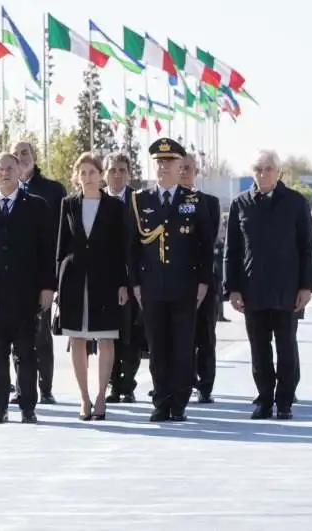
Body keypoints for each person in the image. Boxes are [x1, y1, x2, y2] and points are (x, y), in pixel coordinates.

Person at [224, 150, 312, 420]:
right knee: (259, 348)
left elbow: (307, 247)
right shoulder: (240, 204)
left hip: (287, 290)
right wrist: (233, 288)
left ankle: (284, 400)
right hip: (253, 290)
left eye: (268, 168)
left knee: (286, 346)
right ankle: (264, 399)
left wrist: (306, 286)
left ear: (279, 173)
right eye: (258, 169)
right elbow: (233, 250)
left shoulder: (296, 203)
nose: (263, 173)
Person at [0, 152, 55, 424]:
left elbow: (47, 250)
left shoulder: (37, 206)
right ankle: (0, 406)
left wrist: (48, 286)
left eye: (9, 168)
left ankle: (28, 406)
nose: (4, 173)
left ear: (19, 172)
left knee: (26, 350)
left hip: (27, 292)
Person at [128, 137, 214, 422]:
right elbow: (132, 247)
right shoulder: (141, 201)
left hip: (185, 285)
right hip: (151, 286)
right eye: (159, 162)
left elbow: (204, 245)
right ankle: (161, 400)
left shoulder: (194, 201)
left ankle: (179, 402)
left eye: (170, 162)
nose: (163, 167)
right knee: (157, 346)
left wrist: (203, 282)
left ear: (181, 167)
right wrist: (136, 284)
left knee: (182, 345)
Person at [53, 153, 128, 421]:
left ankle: (100, 398)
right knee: (77, 337)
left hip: (105, 280)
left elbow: (122, 249)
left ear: (101, 175)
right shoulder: (68, 204)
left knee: (106, 338)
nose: (87, 177)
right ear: (77, 177)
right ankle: (84, 398)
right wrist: (56, 285)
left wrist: (123, 283)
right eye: (82, 173)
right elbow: (61, 246)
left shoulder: (115, 207)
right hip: (74, 280)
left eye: (92, 172)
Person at [10, 141, 66, 405]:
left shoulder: (52, 191)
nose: (21, 157)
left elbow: (62, 235)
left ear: (34, 157)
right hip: (11, 277)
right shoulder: (2, 190)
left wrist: (56, 279)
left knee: (41, 334)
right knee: (15, 335)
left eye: (25, 153)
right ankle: (22, 389)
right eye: (17, 153)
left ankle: (45, 388)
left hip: (42, 274)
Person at [180, 153, 221, 404]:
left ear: (196, 171)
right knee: (177, 335)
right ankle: (178, 381)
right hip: (173, 279)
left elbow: (207, 241)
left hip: (202, 277)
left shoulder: (210, 203)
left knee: (204, 334)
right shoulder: (165, 201)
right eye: (180, 167)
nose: (183, 171)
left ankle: (204, 384)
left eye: (188, 168)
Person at [102, 152, 143, 404]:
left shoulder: (138, 200)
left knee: (131, 334)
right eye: (112, 170)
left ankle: (127, 383)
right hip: (104, 278)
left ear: (129, 173)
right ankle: (112, 383)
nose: (117, 174)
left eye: (122, 170)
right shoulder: (97, 199)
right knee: (107, 334)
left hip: (132, 278)